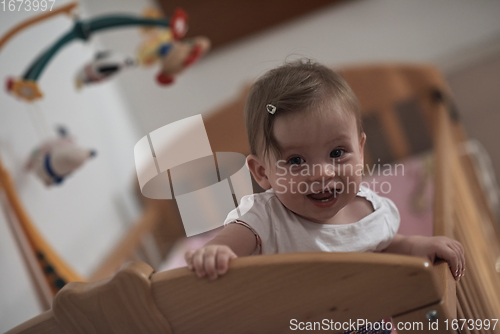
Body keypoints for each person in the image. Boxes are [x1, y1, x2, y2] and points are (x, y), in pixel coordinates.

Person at [184, 60, 465, 332]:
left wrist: (418, 247)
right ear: (262, 172)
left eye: (337, 153)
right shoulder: (264, 219)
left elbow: (385, 245)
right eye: (295, 161)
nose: (321, 174)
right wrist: (217, 252)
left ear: (361, 149)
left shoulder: (368, 208)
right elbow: (230, 241)